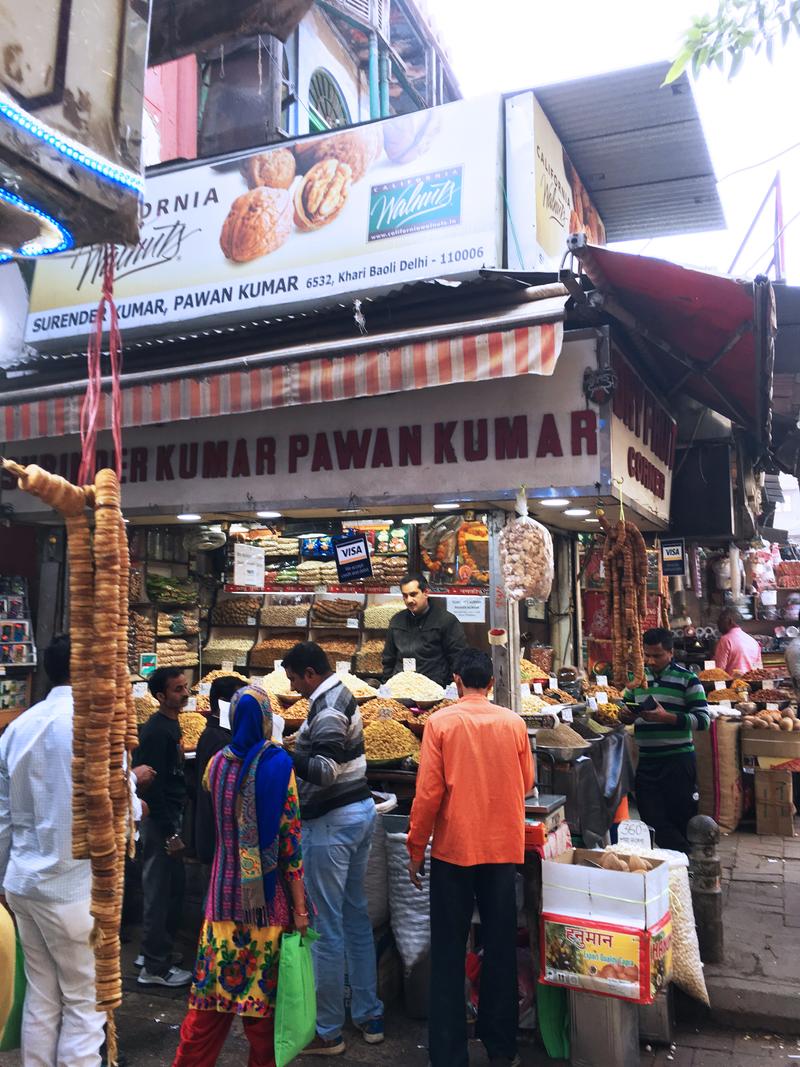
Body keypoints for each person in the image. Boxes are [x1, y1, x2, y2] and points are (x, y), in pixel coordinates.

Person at [406, 648, 534, 1067]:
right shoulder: (513, 723)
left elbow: (428, 795)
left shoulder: (440, 723)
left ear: (456, 680)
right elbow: (527, 781)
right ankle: (502, 1049)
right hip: (501, 850)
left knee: (447, 952)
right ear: (492, 683)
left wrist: (414, 847)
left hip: (454, 852)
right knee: (498, 949)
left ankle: (448, 1055)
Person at [171, 686, 308, 1067]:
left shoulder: (215, 765)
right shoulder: (279, 766)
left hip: (220, 903)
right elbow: (290, 845)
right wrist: (300, 908)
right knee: (262, 1023)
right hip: (265, 908)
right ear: (266, 720)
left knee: (207, 1011)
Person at [0, 634, 105, 1067]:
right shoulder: (92, 727)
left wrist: (3, 878)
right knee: (85, 1001)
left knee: (42, 995)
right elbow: (118, 806)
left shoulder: (20, 725)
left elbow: (4, 815)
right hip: (72, 886)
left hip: (24, 881)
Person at [282, 641, 383, 1056]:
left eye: (293, 679)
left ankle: (328, 1030)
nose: (293, 687)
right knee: (355, 916)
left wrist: (286, 752)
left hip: (332, 823)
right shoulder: (339, 696)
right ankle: (368, 1014)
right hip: (358, 812)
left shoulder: (326, 708)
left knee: (324, 926)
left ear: (309, 674)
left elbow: (323, 771)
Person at [623, 628, 710, 853]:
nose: (651, 661)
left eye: (657, 655)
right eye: (647, 655)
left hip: (678, 762)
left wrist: (667, 718)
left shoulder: (688, 680)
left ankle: (685, 862)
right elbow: (625, 707)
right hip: (648, 762)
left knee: (681, 816)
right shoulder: (637, 679)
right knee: (651, 817)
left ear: (671, 653)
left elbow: (702, 721)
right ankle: (685, 858)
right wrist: (626, 714)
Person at [134, 666, 193, 987]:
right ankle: (153, 968)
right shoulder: (156, 731)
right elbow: (151, 786)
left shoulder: (170, 726)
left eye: (185, 687)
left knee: (172, 887)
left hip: (168, 816)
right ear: (160, 696)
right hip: (159, 820)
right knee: (159, 890)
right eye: (177, 690)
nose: (184, 694)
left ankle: (155, 951)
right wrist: (170, 830)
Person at [381, 572, 468, 687]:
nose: (409, 600)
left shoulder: (446, 621)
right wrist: (387, 685)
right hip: (400, 690)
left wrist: (448, 687)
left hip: (434, 691)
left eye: (413, 594)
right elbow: (388, 659)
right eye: (405, 596)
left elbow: (458, 657)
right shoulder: (396, 621)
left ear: (426, 592)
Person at [194, 675, 243, 863]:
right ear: (224, 703)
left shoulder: (217, 733)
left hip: (214, 832)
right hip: (217, 833)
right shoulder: (221, 740)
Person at [713, 607, 763, 675]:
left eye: (720, 620)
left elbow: (718, 671)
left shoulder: (725, 640)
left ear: (730, 621)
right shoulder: (753, 642)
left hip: (731, 684)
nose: (718, 624)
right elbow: (758, 671)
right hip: (751, 684)